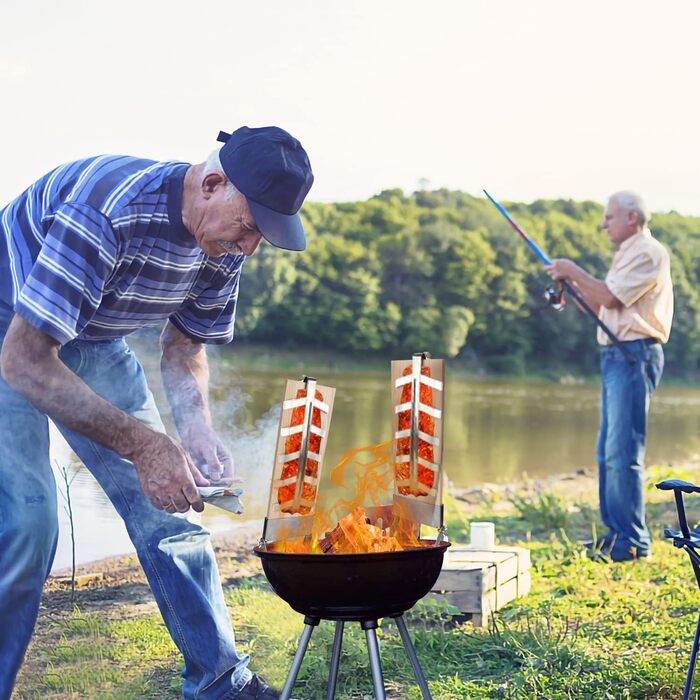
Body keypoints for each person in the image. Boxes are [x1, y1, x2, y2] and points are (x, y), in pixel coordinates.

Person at [0, 125, 313, 700]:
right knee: (27, 521)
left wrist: (194, 433)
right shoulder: (111, 210)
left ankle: (221, 681)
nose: (249, 248)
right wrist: (147, 446)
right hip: (9, 328)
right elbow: (24, 361)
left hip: (93, 332)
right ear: (213, 183)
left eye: (261, 237)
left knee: (172, 505)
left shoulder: (222, 242)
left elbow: (185, 347)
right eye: (248, 228)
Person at [546, 191, 673, 563]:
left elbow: (611, 298)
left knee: (623, 453)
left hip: (634, 355)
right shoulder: (627, 253)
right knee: (607, 453)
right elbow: (604, 300)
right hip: (616, 355)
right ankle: (616, 536)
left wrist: (571, 270)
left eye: (609, 217)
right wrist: (571, 284)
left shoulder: (648, 252)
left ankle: (633, 543)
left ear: (632, 218)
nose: (603, 224)